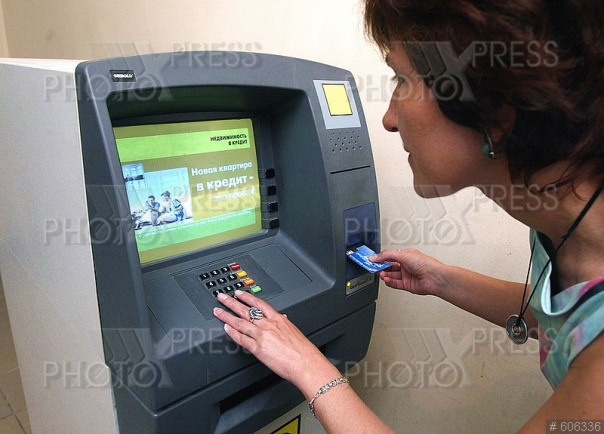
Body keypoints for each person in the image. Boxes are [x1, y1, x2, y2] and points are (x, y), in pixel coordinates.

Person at [213, 0, 604, 431]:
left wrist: (307, 365)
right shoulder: (566, 217)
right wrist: (442, 280)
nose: (388, 119)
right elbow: (562, 314)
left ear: (494, 109)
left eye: (401, 80)